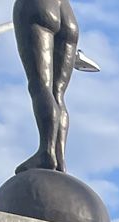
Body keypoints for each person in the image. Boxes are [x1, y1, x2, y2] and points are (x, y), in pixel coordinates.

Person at [12, 0, 80, 173]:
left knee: (40, 85)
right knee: (58, 94)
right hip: (66, 14)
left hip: (38, 7)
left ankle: (46, 150)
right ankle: (59, 157)